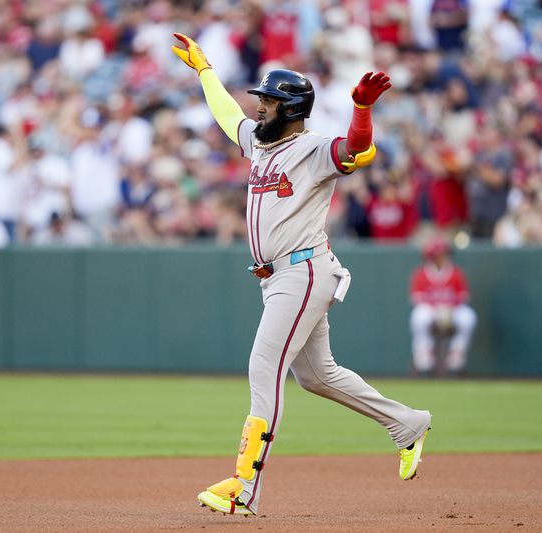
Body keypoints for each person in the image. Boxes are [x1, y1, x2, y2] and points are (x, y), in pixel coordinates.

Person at [172, 33, 432, 517]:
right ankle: (407, 423)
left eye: (268, 102)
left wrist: (360, 109)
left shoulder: (312, 149)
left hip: (302, 271)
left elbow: (356, 150)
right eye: (261, 100)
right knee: (316, 376)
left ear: (290, 109)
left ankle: (245, 486)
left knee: (263, 367)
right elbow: (227, 114)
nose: (259, 108)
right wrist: (204, 70)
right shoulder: (257, 142)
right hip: (279, 278)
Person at [409, 236, 477, 375]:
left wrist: (449, 309)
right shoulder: (421, 274)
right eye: (441, 254)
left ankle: (457, 352)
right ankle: (424, 352)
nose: (444, 257)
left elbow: (464, 296)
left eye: (445, 254)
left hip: (453, 310)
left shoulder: (456, 272)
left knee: (468, 317)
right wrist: (436, 309)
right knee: (419, 316)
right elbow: (416, 298)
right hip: (431, 311)